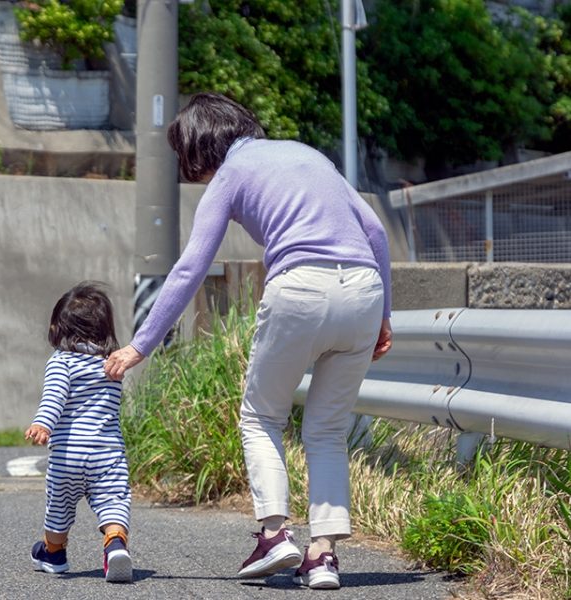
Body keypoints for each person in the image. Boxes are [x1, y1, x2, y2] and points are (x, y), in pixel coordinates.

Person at [104, 92, 392, 590]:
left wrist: (140, 344)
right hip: (364, 290)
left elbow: (191, 267)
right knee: (325, 430)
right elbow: (376, 230)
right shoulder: (309, 154)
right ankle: (322, 557)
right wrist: (384, 314)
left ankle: (275, 534)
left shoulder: (233, 172)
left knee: (261, 416)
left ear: (200, 146)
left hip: (299, 288)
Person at [26, 282, 133, 583]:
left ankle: (54, 553)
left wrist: (43, 424)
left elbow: (54, 397)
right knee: (114, 501)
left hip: (68, 455)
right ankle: (114, 544)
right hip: (106, 453)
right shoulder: (112, 365)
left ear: (59, 327)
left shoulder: (61, 362)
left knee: (58, 505)